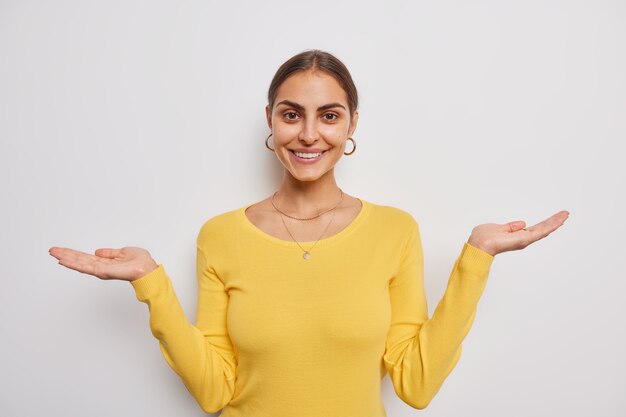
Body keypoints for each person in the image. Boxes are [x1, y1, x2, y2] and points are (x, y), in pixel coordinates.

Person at [49, 50, 569, 416]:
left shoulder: (395, 231)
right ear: (271, 122)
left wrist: (477, 259)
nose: (309, 134)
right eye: (292, 114)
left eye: (329, 115)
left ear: (351, 125)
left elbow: (416, 383)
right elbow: (214, 392)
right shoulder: (220, 236)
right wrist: (151, 284)